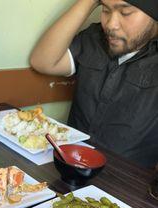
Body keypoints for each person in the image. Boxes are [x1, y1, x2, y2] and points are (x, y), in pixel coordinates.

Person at [30, 0, 158, 169]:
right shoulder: (93, 38)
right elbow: (43, 61)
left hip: (127, 184)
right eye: (105, 9)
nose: (110, 25)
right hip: (69, 166)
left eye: (125, 13)